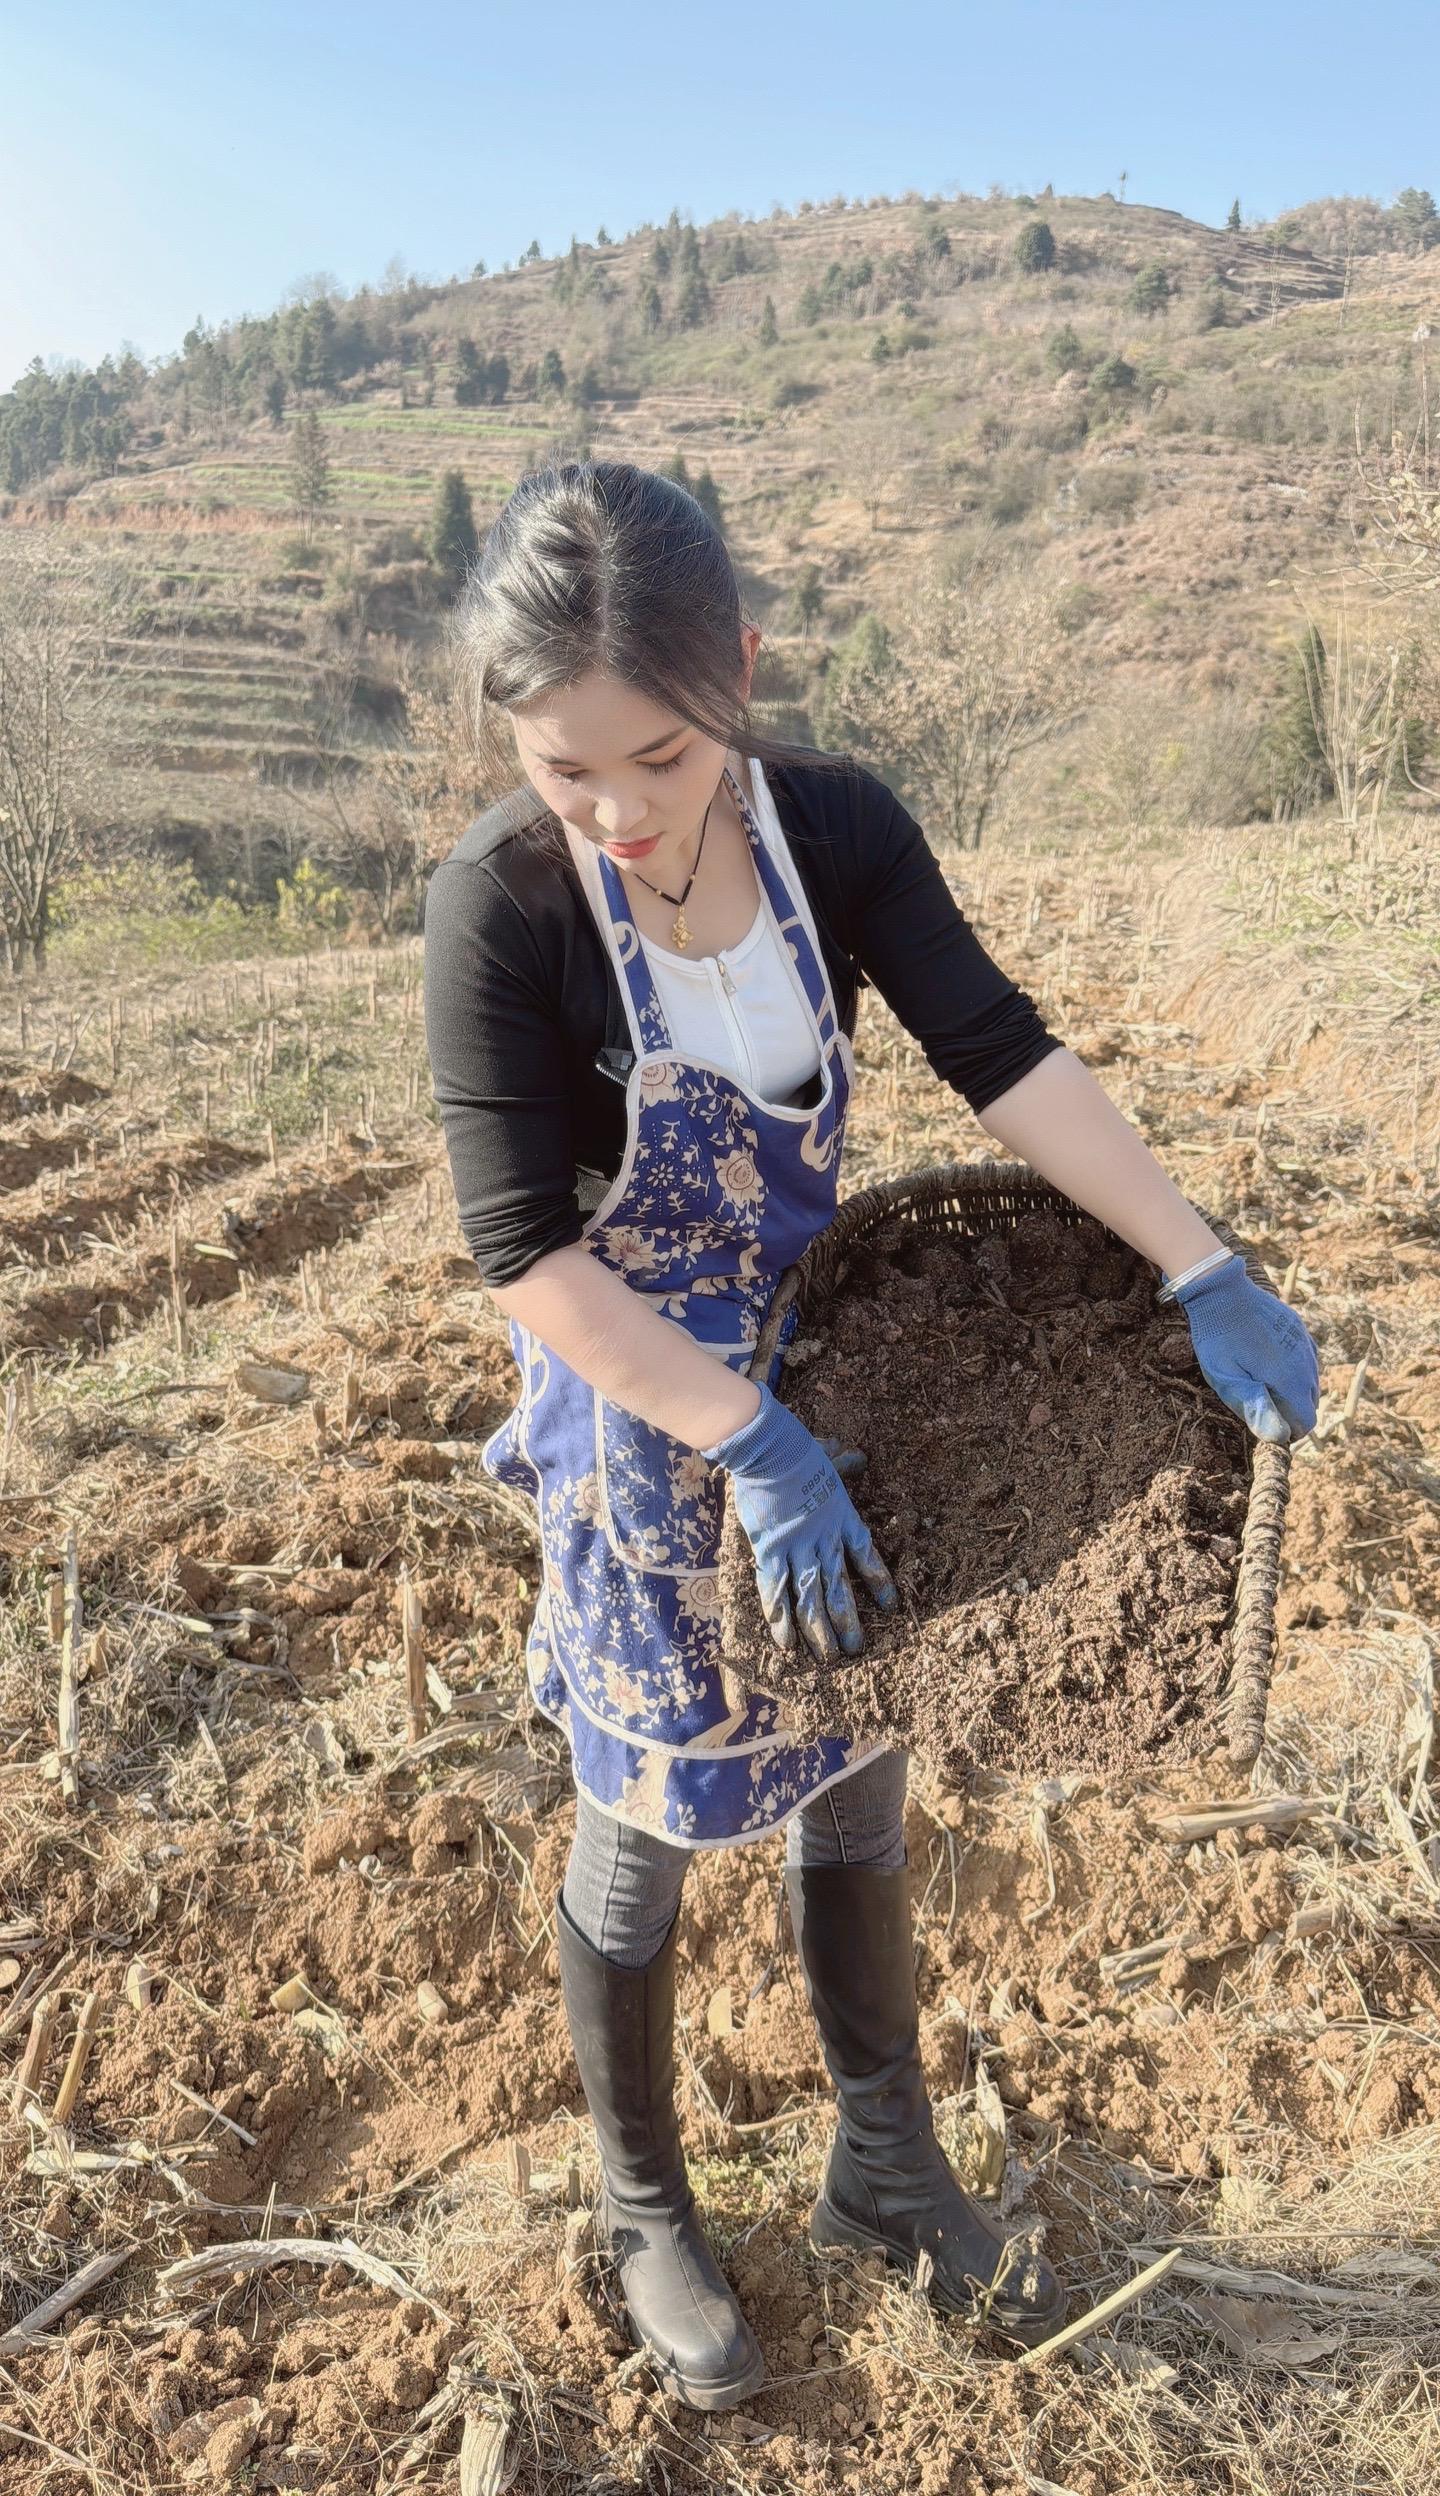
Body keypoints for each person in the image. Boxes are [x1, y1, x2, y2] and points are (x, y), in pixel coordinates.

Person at [422, 459, 1320, 2412]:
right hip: (643, 1412)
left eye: (658, 753)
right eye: (568, 769)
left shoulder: (834, 831)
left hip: (839, 1379)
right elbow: (522, 1254)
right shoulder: (500, 905)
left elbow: (997, 1049)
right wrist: (745, 1439)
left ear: (739, 672)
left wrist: (1198, 1259)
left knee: (853, 1746)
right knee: (649, 1807)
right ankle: (646, 2198)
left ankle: (885, 2165)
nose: (622, 810)